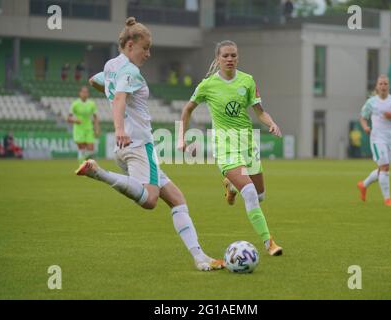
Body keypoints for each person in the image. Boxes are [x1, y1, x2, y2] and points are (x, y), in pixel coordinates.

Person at [78, 17, 224, 271]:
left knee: (177, 199)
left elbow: (94, 81)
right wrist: (120, 127)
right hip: (138, 144)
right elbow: (121, 96)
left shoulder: (112, 65)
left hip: (125, 148)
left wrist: (113, 100)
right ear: (131, 44)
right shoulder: (131, 71)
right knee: (150, 200)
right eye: (145, 48)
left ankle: (200, 258)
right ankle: (98, 173)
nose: (148, 53)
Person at [178, 40, 283, 256]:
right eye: (225, 56)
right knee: (251, 194)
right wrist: (182, 138)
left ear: (238, 57)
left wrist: (271, 122)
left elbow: (260, 111)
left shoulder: (247, 81)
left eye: (233, 55)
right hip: (224, 145)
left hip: (247, 143)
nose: (230, 59)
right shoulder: (207, 85)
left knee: (260, 195)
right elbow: (187, 110)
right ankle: (268, 242)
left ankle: (231, 186)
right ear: (217, 58)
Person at [357, 75, 391, 207]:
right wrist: (365, 127)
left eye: (385, 84)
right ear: (377, 87)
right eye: (381, 84)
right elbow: (362, 117)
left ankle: (363, 185)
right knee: (384, 167)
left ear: (388, 86)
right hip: (377, 138)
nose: (383, 86)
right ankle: (387, 199)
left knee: (383, 169)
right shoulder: (371, 102)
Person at [67, 86, 100, 164]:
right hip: (78, 129)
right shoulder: (75, 104)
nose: (85, 94)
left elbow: (95, 117)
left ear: (88, 94)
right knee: (81, 148)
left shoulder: (92, 104)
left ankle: (87, 165)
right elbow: (68, 118)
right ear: (80, 93)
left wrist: (97, 128)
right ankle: (82, 166)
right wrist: (75, 120)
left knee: (91, 149)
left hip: (89, 128)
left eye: (86, 92)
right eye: (83, 92)